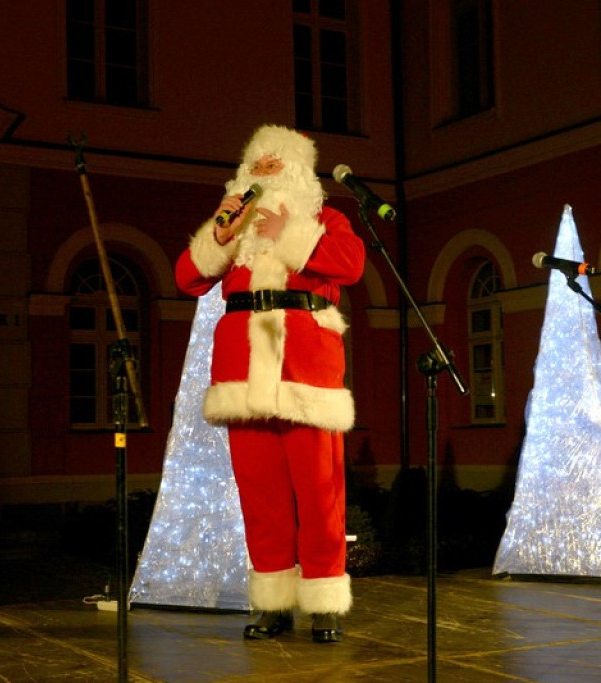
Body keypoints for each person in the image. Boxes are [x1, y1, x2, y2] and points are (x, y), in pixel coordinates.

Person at [174, 124, 365, 642]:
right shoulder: (233, 228)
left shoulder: (325, 219)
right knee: (261, 497)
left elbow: (351, 265)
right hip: (242, 371)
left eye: (273, 163)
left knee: (320, 492)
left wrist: (290, 235)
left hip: (306, 370)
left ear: (297, 171)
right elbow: (186, 278)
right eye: (256, 164)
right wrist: (219, 237)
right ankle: (274, 603)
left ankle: (324, 601)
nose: (262, 171)